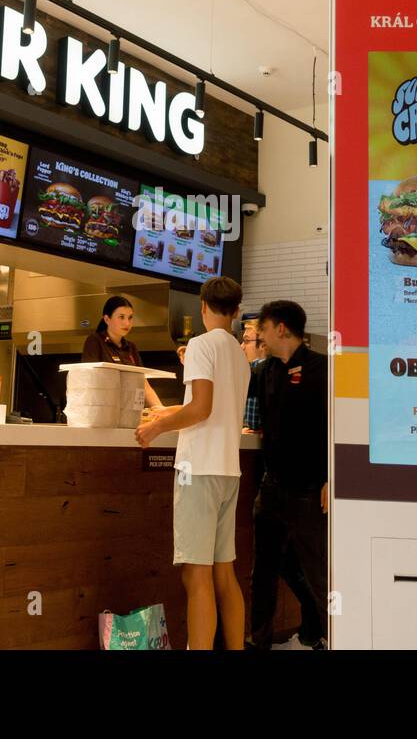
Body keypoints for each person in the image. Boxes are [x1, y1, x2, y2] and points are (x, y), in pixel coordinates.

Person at [135, 276, 248, 649]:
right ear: (235, 312)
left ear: (202, 307)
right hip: (228, 471)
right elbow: (209, 406)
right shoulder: (238, 352)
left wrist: (158, 429)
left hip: (197, 470)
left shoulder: (201, 344)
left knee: (195, 576)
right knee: (223, 574)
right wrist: (165, 413)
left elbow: (201, 408)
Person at [238, 318, 323, 650]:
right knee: (264, 572)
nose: (259, 337)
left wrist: (331, 478)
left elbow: (338, 425)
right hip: (272, 486)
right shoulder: (262, 372)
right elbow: (254, 421)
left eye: (265, 329)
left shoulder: (324, 369)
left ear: (283, 330)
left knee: (318, 570)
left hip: (311, 489)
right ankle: (258, 641)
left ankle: (330, 632)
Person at [82, 295, 163, 409]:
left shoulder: (131, 347)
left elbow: (143, 384)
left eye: (130, 318)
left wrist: (161, 409)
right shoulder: (94, 341)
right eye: (121, 317)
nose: (127, 323)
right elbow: (89, 379)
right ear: (107, 319)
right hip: (103, 409)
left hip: (129, 409)